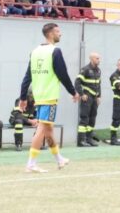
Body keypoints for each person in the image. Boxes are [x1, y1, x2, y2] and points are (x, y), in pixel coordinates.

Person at [19, 22, 79, 173]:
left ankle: (59, 159)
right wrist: (73, 92)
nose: (61, 34)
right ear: (51, 33)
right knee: (41, 129)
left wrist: (23, 96)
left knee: (48, 129)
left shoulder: (35, 51)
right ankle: (31, 164)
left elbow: (28, 76)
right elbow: (62, 74)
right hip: (49, 96)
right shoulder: (55, 51)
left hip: (39, 96)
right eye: (58, 31)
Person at [75, 52, 102, 147]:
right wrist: (82, 94)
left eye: (99, 58)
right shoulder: (85, 69)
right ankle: (81, 141)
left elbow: (99, 84)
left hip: (95, 98)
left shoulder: (98, 70)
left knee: (92, 118)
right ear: (91, 59)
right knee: (84, 118)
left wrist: (99, 96)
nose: (99, 60)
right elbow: (77, 82)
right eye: (97, 58)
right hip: (87, 97)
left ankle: (89, 139)